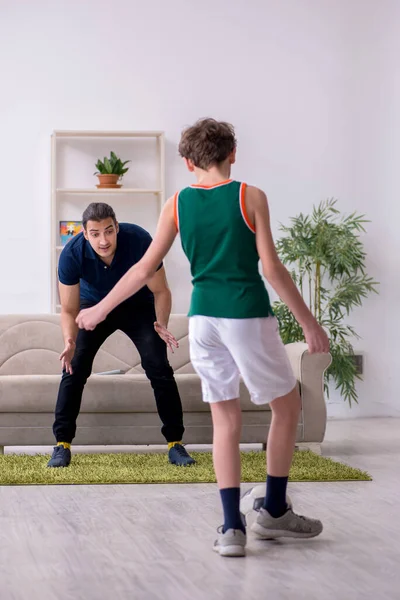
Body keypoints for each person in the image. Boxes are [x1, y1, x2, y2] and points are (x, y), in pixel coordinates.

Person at [75, 119, 330, 557]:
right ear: (233, 153)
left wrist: (98, 308)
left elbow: (143, 269)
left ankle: (232, 528)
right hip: (245, 315)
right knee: (287, 406)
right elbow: (271, 269)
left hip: (202, 322)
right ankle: (272, 510)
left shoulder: (177, 203)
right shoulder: (250, 196)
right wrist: (309, 323)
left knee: (224, 421)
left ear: (188, 161)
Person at [48, 202, 195, 468]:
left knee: (158, 366)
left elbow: (161, 291)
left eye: (108, 231)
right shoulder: (71, 254)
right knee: (74, 367)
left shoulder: (139, 240)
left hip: (137, 307)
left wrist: (160, 323)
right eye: (95, 234)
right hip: (93, 309)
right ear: (84, 234)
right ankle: (62, 444)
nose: (103, 240)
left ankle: (176, 444)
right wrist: (69, 340)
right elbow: (69, 309)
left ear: (117, 227)